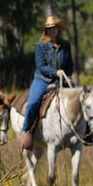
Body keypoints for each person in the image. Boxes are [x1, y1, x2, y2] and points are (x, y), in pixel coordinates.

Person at [18, 15, 74, 150]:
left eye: (54, 28)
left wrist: (69, 75)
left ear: (59, 29)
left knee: (83, 97)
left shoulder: (66, 45)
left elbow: (70, 64)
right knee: (33, 102)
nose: (52, 31)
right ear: (46, 31)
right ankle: (26, 131)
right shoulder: (40, 46)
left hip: (62, 78)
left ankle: (87, 131)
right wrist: (55, 72)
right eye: (49, 29)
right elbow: (41, 66)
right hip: (42, 79)